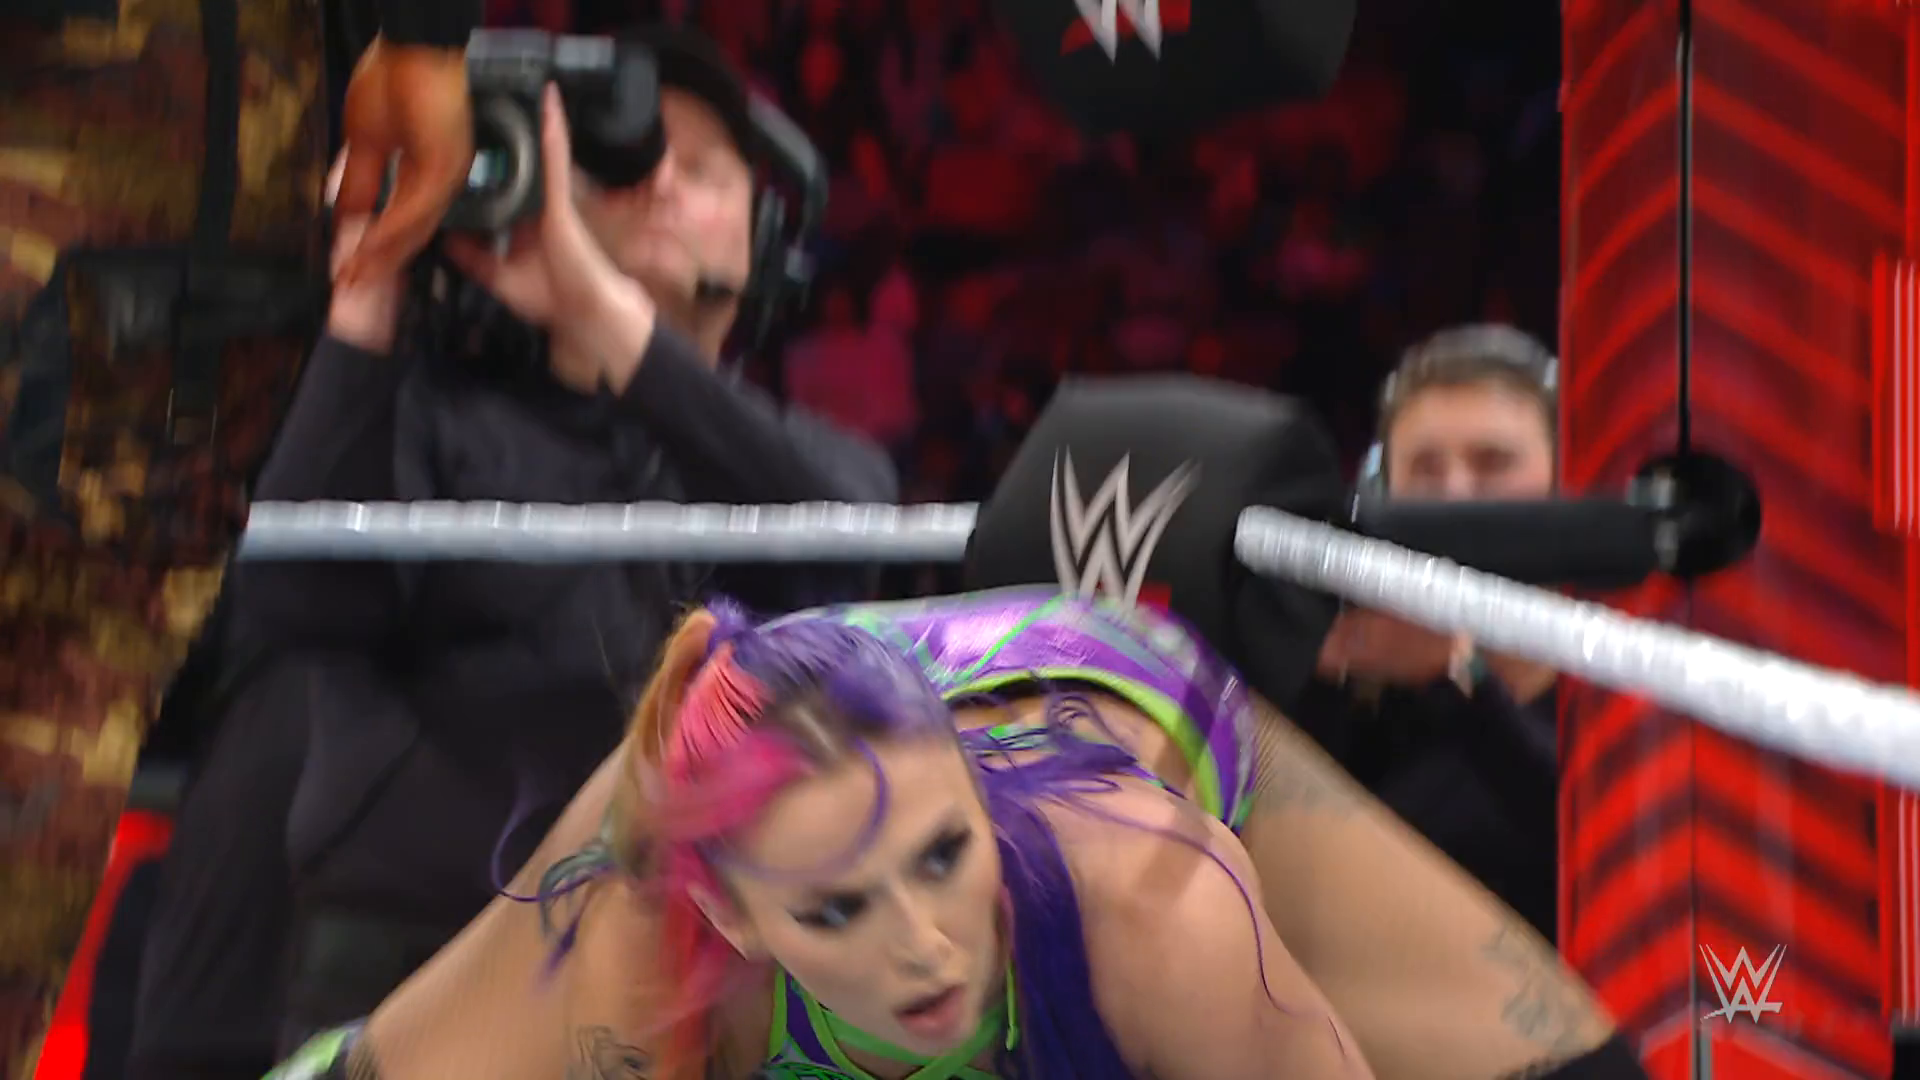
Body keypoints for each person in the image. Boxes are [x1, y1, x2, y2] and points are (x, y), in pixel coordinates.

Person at [126, 26, 896, 1079]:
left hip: (692, 982)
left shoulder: (803, 458)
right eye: (619, 167)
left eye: (700, 169)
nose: (659, 186)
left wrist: (599, 310)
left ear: (763, 235)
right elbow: (293, 612)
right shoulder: (427, 418)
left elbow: (846, 553)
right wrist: (370, 289)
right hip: (415, 972)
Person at [270, 588, 1646, 1080]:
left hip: (1118, 699)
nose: (925, 944)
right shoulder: (638, 951)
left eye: (940, 862)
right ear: (734, 917)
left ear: (974, 812)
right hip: (770, 778)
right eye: (838, 909)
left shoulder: (1158, 905)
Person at [1301, 323, 1562, 940]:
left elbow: (1582, 839)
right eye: (1424, 468)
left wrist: (1461, 674)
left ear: (1565, 477)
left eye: (1493, 462)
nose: (1455, 494)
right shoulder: (1358, 690)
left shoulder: (1632, 686)